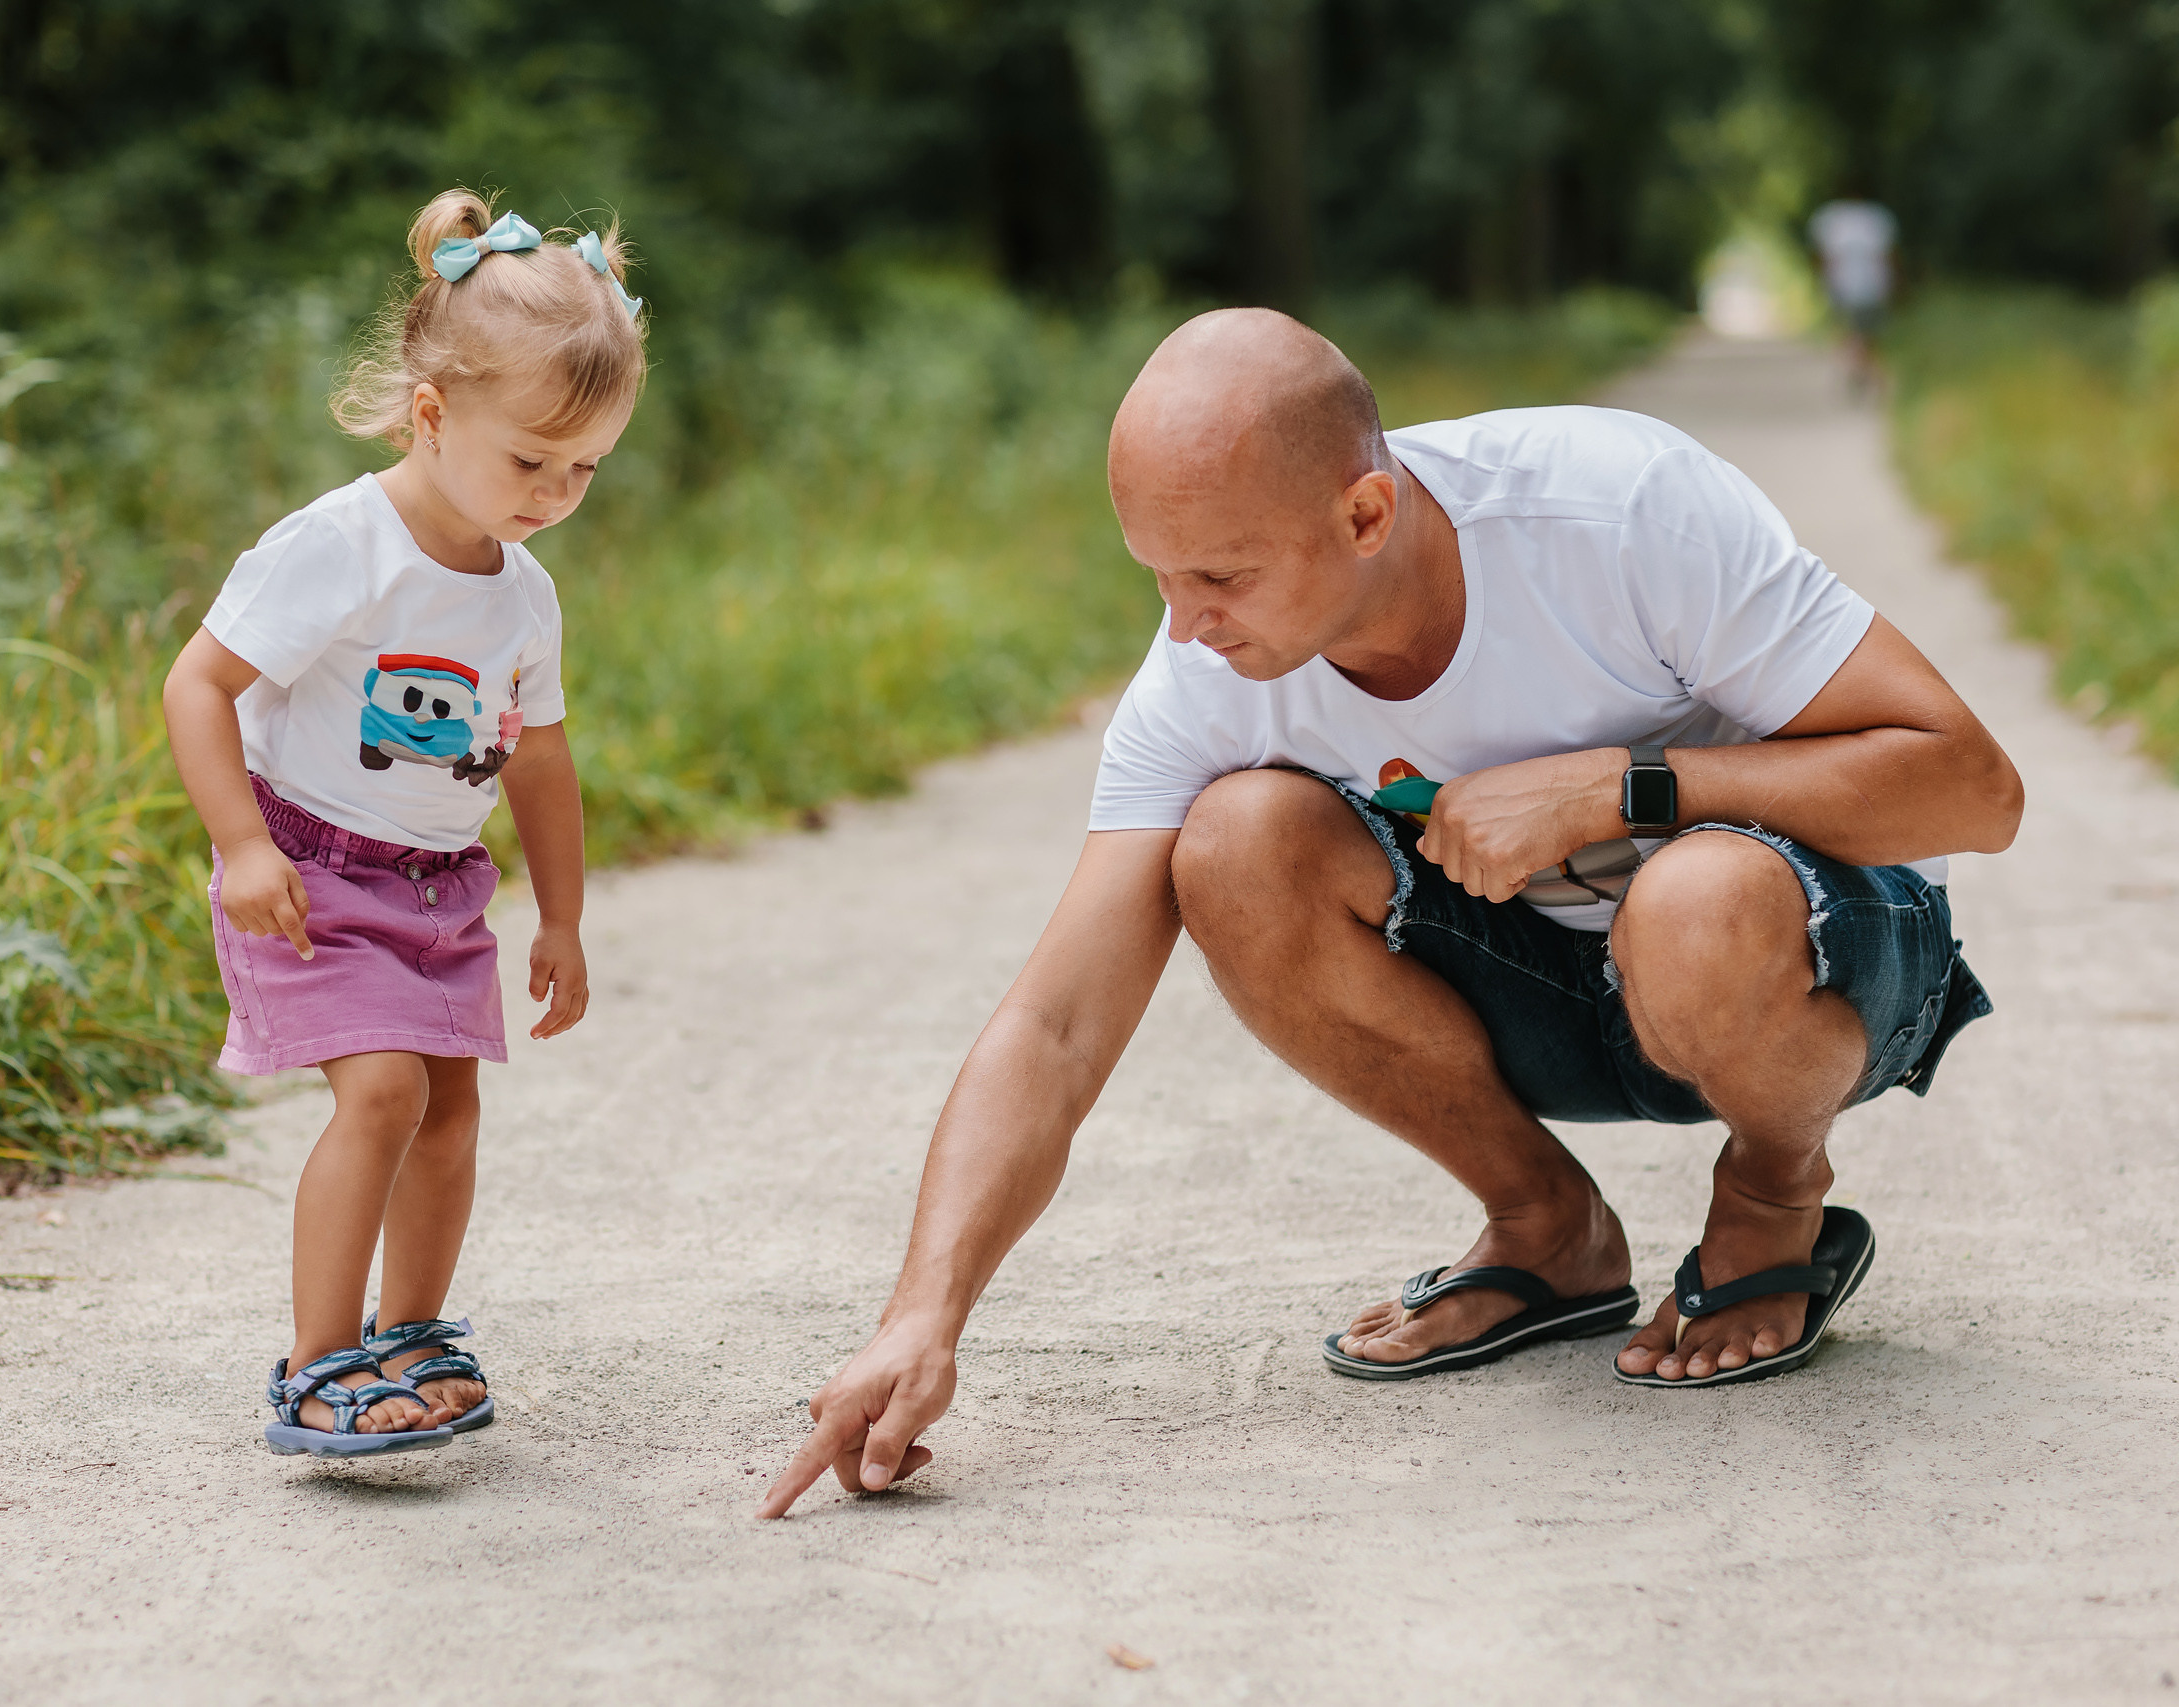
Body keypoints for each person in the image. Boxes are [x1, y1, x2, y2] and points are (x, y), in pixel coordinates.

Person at [760, 308, 2021, 1517]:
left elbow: (1973, 787)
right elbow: (1055, 1024)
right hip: (1564, 1003)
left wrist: (1621, 786)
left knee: (1694, 897)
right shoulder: (1203, 677)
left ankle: (1772, 1198)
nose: (1185, 627)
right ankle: (1548, 1229)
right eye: (1156, 577)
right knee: (1236, 841)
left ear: (1365, 514)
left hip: (1809, 974)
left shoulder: (1616, 511)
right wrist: (922, 1318)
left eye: (1220, 576)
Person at [163, 188, 645, 1456]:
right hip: (310, 869)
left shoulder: (523, 593)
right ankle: (316, 1365)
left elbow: (539, 757)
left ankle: (412, 1333)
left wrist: (563, 916)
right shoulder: (340, 546)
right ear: (432, 416)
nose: (557, 492)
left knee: (448, 1115)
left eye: (586, 467)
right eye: (531, 461)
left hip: (442, 885)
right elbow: (196, 686)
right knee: (380, 1095)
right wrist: (242, 846)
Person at [1808, 197, 1898, 392]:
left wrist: (1823, 284)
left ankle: (1856, 367)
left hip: (1848, 288)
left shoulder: (1832, 218)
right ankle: (1862, 369)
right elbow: (1887, 257)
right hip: (1870, 289)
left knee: (1852, 332)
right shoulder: (1876, 218)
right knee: (1865, 334)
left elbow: (1825, 259)